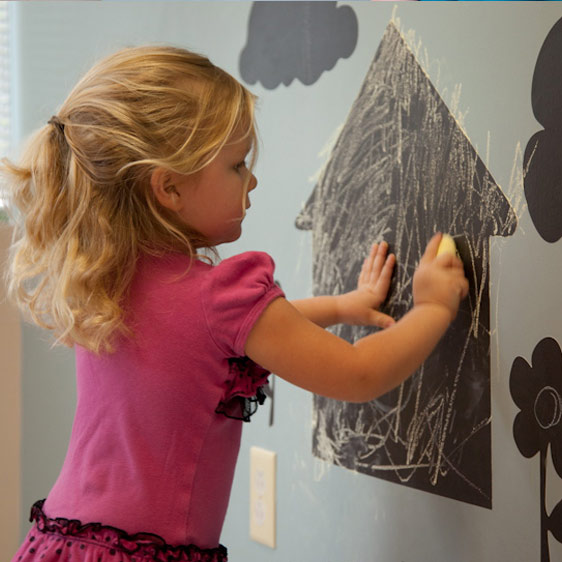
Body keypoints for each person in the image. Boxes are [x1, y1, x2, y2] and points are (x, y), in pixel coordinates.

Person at [4, 45, 468, 562]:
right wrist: (433, 308)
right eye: (237, 164)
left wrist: (344, 306)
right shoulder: (217, 294)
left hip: (62, 543)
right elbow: (355, 374)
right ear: (169, 188)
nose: (251, 179)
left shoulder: (110, 278)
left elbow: (216, 338)